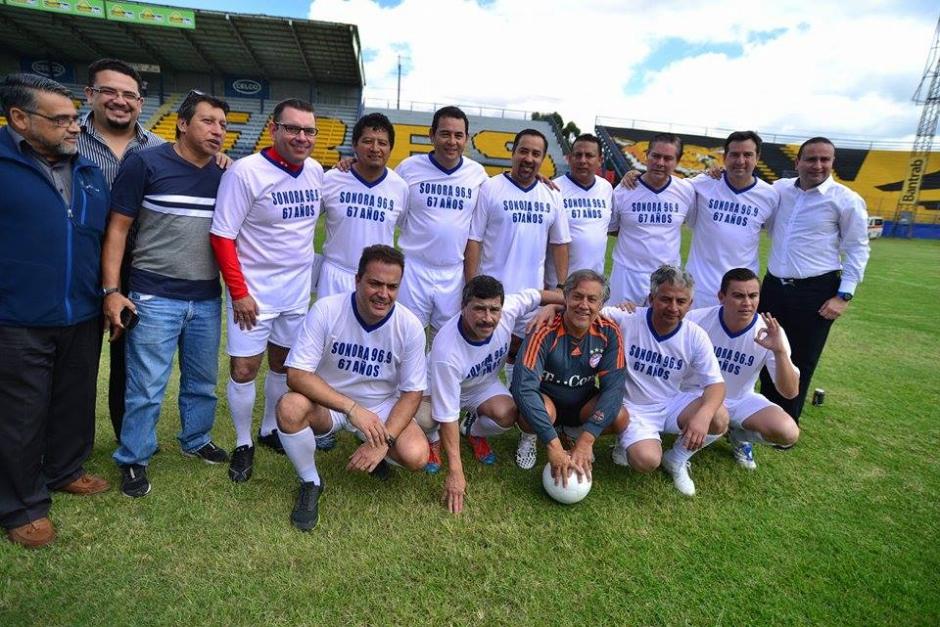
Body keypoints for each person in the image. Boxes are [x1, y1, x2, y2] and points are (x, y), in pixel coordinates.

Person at [0, 73, 111, 548]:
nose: (74, 128)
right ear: (20, 118)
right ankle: (21, 504)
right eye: (61, 119)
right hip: (17, 318)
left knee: (74, 401)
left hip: (81, 314)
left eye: (75, 119)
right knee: (21, 415)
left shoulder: (85, 170)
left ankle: (65, 468)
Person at [102, 90, 231, 498]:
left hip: (207, 297)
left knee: (203, 380)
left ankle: (195, 439)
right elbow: (118, 229)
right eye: (208, 121)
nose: (217, 130)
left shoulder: (227, 173)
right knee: (146, 385)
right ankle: (135, 457)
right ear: (181, 123)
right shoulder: (145, 163)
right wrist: (112, 290)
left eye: (224, 125)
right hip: (154, 295)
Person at [210, 98, 324, 482]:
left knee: (283, 365)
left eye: (309, 130)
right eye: (293, 128)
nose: (301, 137)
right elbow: (223, 235)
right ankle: (244, 442)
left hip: (295, 292)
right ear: (274, 128)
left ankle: (269, 428)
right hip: (253, 293)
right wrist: (239, 291)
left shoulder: (316, 172)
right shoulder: (246, 172)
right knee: (244, 368)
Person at [276, 245, 428, 531]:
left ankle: (370, 444)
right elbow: (296, 374)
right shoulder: (327, 309)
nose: (383, 294)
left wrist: (385, 441)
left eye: (392, 286)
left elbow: (412, 393)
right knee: (289, 406)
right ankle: (310, 481)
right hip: (331, 404)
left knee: (417, 456)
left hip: (380, 406)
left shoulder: (409, 326)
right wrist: (351, 408)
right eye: (375, 283)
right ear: (357, 280)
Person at [78, 60, 165, 441]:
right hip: (78, 263)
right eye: (109, 91)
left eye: (129, 94)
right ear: (90, 95)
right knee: (76, 359)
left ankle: (127, 435)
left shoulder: (159, 148)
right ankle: (66, 445)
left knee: (128, 360)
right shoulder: (68, 138)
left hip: (136, 266)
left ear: (140, 102)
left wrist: (222, 159)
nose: (119, 101)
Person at [420, 276, 564, 508]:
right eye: (479, 309)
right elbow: (448, 414)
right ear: (463, 307)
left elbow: (540, 295)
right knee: (427, 419)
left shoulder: (508, 310)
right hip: (437, 388)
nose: (488, 318)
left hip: (482, 385)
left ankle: (473, 430)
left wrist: (556, 305)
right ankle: (432, 440)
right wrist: (456, 471)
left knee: (507, 414)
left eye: (494, 309)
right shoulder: (447, 350)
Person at [759, 137, 870, 423]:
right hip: (773, 287)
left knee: (801, 359)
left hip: (816, 291)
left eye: (825, 159)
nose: (817, 165)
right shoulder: (780, 189)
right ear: (797, 162)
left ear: (832, 163)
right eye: (811, 159)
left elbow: (857, 248)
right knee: (762, 352)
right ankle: (760, 414)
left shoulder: (845, 199)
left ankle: (784, 424)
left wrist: (843, 295)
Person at [604, 265, 726, 497]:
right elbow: (584, 309)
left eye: (681, 301)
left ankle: (676, 459)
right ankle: (626, 440)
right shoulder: (627, 318)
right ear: (651, 298)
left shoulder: (695, 334)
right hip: (633, 407)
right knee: (646, 460)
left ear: (690, 304)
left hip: (670, 403)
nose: (673, 307)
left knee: (718, 417)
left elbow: (716, 384)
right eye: (665, 299)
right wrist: (549, 307)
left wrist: (703, 415)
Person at [620, 131, 778, 309]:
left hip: (742, 290)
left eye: (747, 155)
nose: (740, 161)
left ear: (757, 157)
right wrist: (634, 175)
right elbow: (667, 184)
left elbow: (774, 231)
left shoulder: (770, 195)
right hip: (701, 288)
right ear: (725, 157)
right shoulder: (701, 184)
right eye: (734, 154)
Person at [464, 128, 570, 385]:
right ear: (512, 152)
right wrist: (470, 287)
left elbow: (560, 243)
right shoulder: (490, 188)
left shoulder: (552, 194)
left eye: (536, 153)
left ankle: (515, 404)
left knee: (520, 358)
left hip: (532, 296)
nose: (529, 158)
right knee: (478, 357)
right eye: (523, 151)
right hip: (493, 293)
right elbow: (474, 239)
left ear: (543, 158)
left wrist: (561, 288)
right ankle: (469, 404)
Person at [511, 270, 629, 481]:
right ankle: (531, 436)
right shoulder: (544, 328)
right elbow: (523, 387)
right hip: (547, 404)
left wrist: (587, 440)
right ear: (565, 297)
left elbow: (614, 388)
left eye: (592, 299)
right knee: (537, 408)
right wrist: (552, 444)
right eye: (577, 296)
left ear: (601, 305)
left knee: (620, 417)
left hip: (581, 405)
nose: (584, 305)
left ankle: (575, 435)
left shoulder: (609, 331)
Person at [685, 268, 800, 469]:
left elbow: (790, 392)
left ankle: (739, 435)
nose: (747, 303)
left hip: (739, 399)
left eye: (753, 295)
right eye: (738, 296)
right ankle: (680, 452)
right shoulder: (697, 319)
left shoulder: (770, 331)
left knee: (788, 432)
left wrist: (780, 351)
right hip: (696, 394)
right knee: (714, 414)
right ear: (721, 297)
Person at [394, 106, 489, 332]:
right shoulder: (409, 168)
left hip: (453, 273)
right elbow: (385, 192)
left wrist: (538, 178)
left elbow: (504, 191)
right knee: (407, 337)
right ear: (432, 135)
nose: (452, 141)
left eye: (458, 135)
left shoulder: (477, 173)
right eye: (445, 134)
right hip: (413, 269)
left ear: (467, 139)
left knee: (446, 341)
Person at [316, 112, 408, 298]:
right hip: (335, 275)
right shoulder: (331, 179)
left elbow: (403, 225)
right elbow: (305, 222)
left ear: (391, 148)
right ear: (354, 145)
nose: (375, 148)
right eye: (367, 141)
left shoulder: (400, 187)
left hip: (378, 280)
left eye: (382, 143)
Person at [608, 133, 694, 305]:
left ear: (677, 161)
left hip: (667, 278)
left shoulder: (687, 190)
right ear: (646, 155)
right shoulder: (624, 190)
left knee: (662, 328)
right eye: (655, 155)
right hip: (627, 276)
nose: (660, 163)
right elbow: (612, 228)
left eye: (668, 158)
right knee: (621, 327)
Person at [544, 134, 613, 290]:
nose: (583, 160)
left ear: (600, 160)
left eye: (589, 155)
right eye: (578, 155)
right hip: (560, 284)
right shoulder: (553, 189)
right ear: (569, 158)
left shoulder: (606, 188)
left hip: (594, 285)